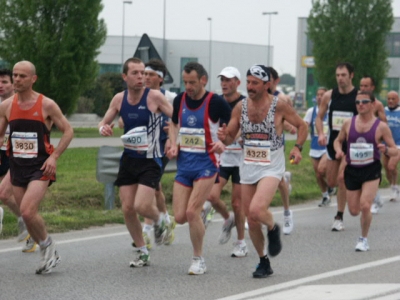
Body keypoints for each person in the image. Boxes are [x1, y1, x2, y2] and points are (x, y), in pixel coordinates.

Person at [218, 64, 307, 278]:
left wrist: (297, 147)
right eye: (248, 82)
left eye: (255, 83)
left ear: (267, 85)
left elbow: (302, 126)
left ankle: (274, 227)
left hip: (271, 166)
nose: (250, 87)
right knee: (252, 217)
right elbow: (230, 136)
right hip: (248, 165)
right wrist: (224, 136)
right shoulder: (241, 107)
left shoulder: (280, 106)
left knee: (257, 210)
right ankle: (263, 261)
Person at [99, 57, 173, 268]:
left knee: (141, 205)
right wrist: (103, 129)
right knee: (128, 209)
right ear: (125, 77)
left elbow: (177, 117)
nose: (141, 77)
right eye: (136, 73)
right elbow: (104, 122)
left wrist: (172, 134)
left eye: (143, 72)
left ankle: (161, 221)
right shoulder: (119, 99)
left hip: (151, 160)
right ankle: (142, 252)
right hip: (129, 159)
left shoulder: (155, 97)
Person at [0, 60, 73, 274]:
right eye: (15, 75)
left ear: (33, 79)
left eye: (22, 76)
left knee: (27, 211)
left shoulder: (46, 104)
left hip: (41, 166)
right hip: (18, 166)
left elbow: (68, 131)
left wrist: (54, 157)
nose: (17, 79)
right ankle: (47, 247)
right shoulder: (6, 106)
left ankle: (47, 248)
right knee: (27, 216)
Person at [167, 62, 231, 275]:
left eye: (192, 82)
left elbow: (236, 126)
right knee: (179, 217)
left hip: (207, 164)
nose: (188, 86)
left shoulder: (216, 102)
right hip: (184, 165)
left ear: (203, 80)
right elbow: (174, 123)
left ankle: (198, 259)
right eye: (185, 82)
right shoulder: (179, 100)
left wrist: (225, 142)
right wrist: (172, 143)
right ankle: (205, 208)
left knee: (191, 212)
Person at [334, 91, 397, 251]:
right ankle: (371, 199)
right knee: (354, 211)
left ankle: (363, 239)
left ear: (373, 104)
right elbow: (338, 140)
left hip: (371, 170)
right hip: (353, 170)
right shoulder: (348, 123)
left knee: (364, 205)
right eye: (358, 102)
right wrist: (338, 150)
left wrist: (386, 150)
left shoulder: (381, 126)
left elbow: (395, 150)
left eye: (364, 101)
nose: (360, 104)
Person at [127, 59, 176, 251]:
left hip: (161, 148)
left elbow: (180, 120)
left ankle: (148, 229)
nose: (146, 78)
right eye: (144, 74)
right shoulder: (139, 95)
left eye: (150, 75)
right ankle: (164, 220)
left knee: (150, 187)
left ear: (160, 79)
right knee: (155, 189)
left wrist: (172, 133)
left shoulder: (170, 97)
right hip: (142, 149)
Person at [203, 66, 247, 257]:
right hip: (221, 157)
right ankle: (227, 219)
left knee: (237, 204)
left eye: (229, 80)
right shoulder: (217, 102)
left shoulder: (245, 103)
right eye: (222, 79)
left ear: (237, 83)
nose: (224, 83)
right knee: (211, 196)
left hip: (240, 159)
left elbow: (246, 126)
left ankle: (241, 242)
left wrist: (234, 137)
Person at [316, 62, 358, 232]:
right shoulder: (329, 95)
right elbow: (319, 117)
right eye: (338, 75)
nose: (340, 78)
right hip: (334, 142)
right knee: (332, 181)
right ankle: (356, 183)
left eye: (344, 75)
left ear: (351, 76)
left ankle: (339, 216)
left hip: (353, 144)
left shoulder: (358, 97)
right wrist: (321, 133)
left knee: (341, 179)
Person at [0, 69, 32, 249]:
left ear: (13, 85)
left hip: (18, 155)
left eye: (4, 82)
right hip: (1, 153)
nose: (0, 85)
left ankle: (27, 222)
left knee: (4, 194)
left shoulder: (20, 104)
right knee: (5, 195)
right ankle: (27, 222)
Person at [267, 67, 295, 235]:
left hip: (276, 145)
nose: (266, 83)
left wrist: (289, 126)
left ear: (276, 81)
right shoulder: (255, 98)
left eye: (269, 79)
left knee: (278, 182)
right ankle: (254, 216)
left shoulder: (282, 98)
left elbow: (288, 118)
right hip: (258, 145)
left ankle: (287, 214)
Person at [303, 87, 335, 207]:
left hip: (327, 147)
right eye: (318, 94)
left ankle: (331, 185)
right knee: (318, 174)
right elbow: (304, 125)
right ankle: (325, 195)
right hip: (315, 146)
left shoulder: (331, 110)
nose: (320, 97)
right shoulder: (312, 111)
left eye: (322, 94)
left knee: (322, 170)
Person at [359, 75, 387, 213]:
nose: (363, 88)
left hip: (374, 145)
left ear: (372, 88)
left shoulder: (378, 104)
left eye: (366, 86)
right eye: (361, 86)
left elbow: (384, 124)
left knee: (372, 172)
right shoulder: (358, 102)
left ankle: (374, 200)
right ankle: (375, 198)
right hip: (358, 144)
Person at [383, 91, 400, 202]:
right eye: (389, 98)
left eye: (393, 99)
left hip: (398, 145)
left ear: (398, 100)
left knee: (391, 166)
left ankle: (394, 186)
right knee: (386, 169)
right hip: (385, 145)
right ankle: (393, 185)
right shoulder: (383, 111)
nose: (390, 101)